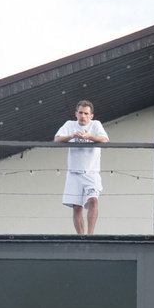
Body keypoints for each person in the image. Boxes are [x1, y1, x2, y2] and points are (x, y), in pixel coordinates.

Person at [54, 98, 108, 234]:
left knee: (93, 201)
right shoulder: (69, 124)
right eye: (81, 113)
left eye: (86, 113)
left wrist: (89, 137)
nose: (83, 116)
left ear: (91, 116)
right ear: (76, 113)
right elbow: (57, 138)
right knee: (77, 207)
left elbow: (104, 139)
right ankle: (80, 236)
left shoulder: (96, 125)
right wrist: (72, 136)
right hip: (73, 172)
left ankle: (90, 235)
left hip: (91, 172)